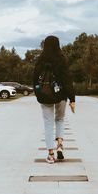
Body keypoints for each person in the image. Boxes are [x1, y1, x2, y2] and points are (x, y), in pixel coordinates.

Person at [33, 35, 75, 164]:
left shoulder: (40, 60)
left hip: (45, 96)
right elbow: (67, 79)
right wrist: (72, 99)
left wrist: (38, 93)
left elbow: (34, 79)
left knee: (48, 123)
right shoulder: (61, 59)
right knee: (60, 119)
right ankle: (60, 144)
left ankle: (51, 154)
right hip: (61, 95)